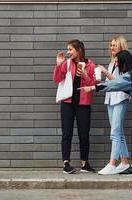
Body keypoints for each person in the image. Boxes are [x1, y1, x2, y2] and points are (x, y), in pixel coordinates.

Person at [53, 39, 96, 174]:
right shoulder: (66, 63)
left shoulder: (90, 64)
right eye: (68, 49)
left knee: (84, 134)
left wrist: (84, 75)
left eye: (70, 49)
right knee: (67, 133)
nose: (68, 52)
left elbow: (94, 84)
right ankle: (66, 163)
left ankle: (85, 163)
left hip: (84, 103)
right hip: (67, 103)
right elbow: (56, 79)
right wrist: (58, 65)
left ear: (79, 50)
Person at [97, 35, 130, 175]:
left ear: (120, 46)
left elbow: (121, 83)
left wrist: (105, 72)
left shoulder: (124, 62)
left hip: (120, 99)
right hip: (111, 99)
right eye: (110, 45)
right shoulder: (111, 63)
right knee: (118, 132)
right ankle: (124, 162)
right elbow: (109, 84)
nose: (111, 48)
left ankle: (112, 163)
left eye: (114, 45)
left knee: (115, 133)